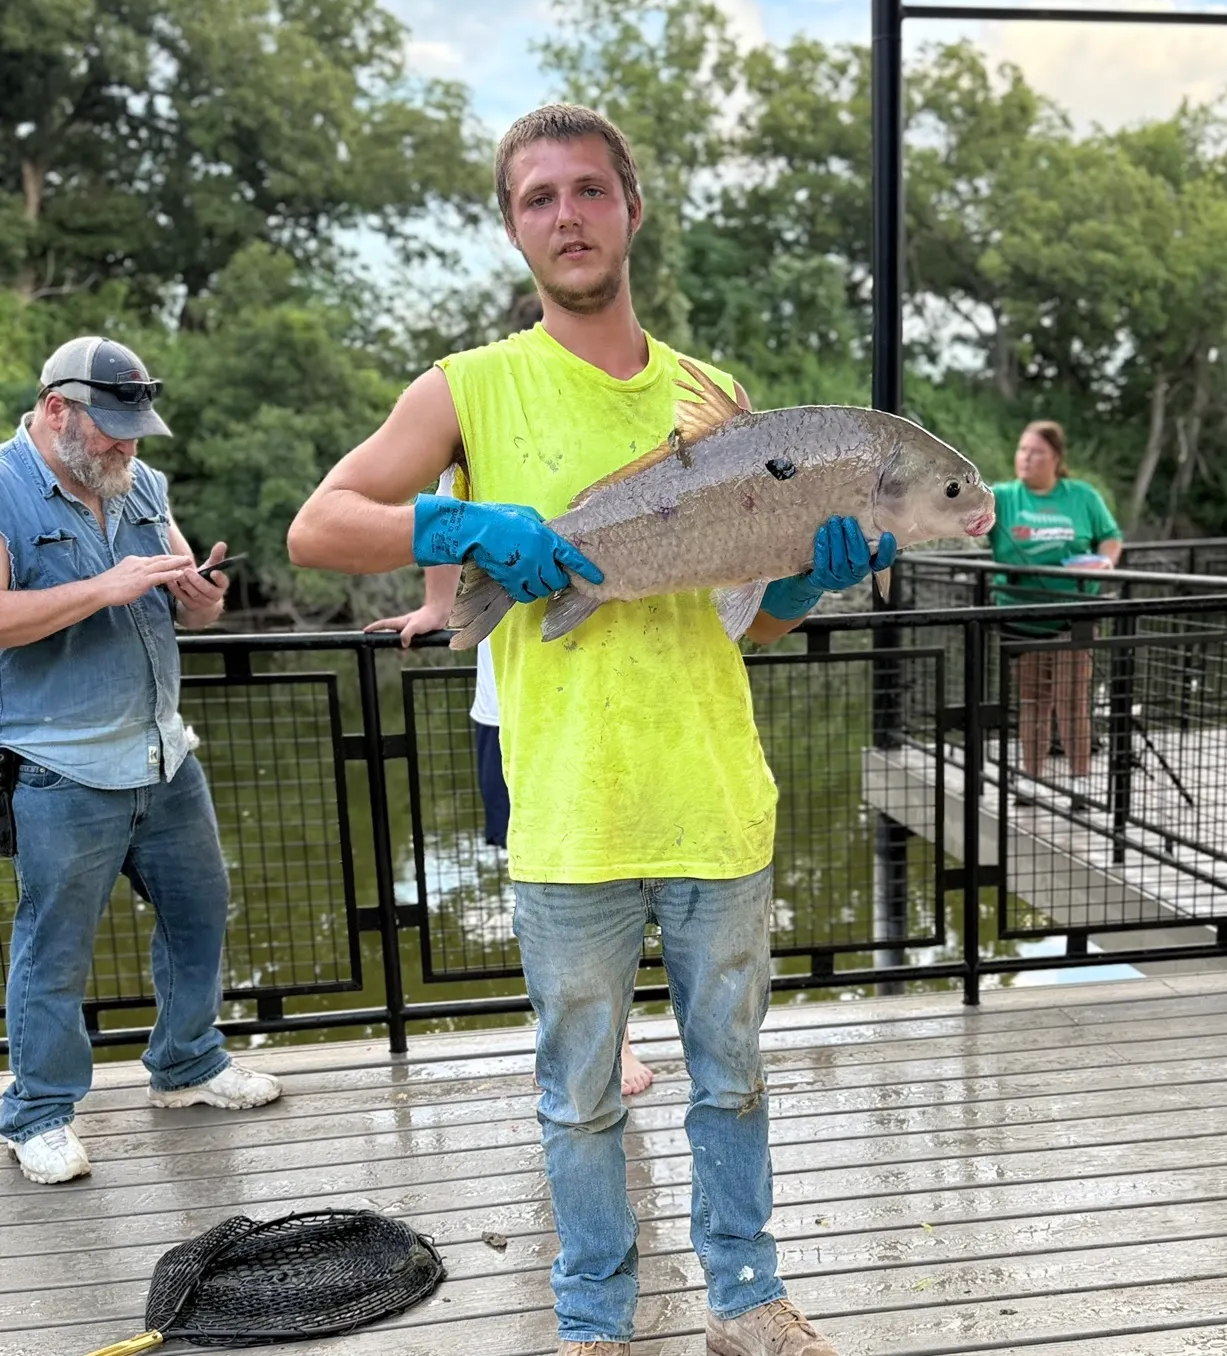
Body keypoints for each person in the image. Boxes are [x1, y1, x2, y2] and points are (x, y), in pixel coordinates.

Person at [290, 103, 894, 1356]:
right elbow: (321, 526)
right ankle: (593, 1320)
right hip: (565, 813)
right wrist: (457, 530)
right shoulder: (471, 387)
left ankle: (746, 1301)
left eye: (587, 191)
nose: (566, 216)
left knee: (733, 1080)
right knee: (577, 1102)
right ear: (515, 229)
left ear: (630, 208)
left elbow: (749, 626)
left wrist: (799, 581)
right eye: (538, 199)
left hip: (718, 797)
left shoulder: (715, 397)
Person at [0, 338, 281, 1186]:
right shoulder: (5, 486)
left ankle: (186, 1065)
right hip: (59, 767)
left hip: (164, 755)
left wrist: (204, 598)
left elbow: (188, 604)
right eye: (113, 430)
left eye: (135, 430)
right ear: (57, 411)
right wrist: (104, 588)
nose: (128, 446)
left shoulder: (143, 484)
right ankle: (38, 1114)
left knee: (201, 913)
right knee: (56, 949)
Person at [366, 461, 656, 1097]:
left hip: (609, 699)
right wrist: (438, 606)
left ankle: (619, 1034)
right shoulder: (468, 425)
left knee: (619, 872)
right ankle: (567, 1028)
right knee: (535, 880)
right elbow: (440, 522)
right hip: (508, 713)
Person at [988, 420, 1123, 808]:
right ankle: (1030, 781)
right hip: (1021, 615)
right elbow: (964, 518)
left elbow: (1111, 536)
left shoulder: (1081, 496)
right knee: (1033, 701)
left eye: (1036, 452)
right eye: (1022, 450)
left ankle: (1079, 784)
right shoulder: (1003, 497)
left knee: (1072, 700)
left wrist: (1104, 563)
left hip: (1073, 614)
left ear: (1056, 458)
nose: (1026, 458)